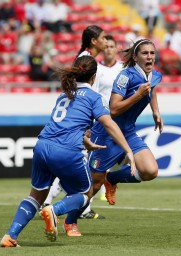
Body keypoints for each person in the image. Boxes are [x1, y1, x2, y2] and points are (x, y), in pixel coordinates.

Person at [0, 55, 136, 247]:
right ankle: (54, 211)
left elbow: (66, 125)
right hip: (67, 150)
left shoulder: (65, 94)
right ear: (94, 76)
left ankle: (10, 236)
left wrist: (86, 142)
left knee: (35, 196)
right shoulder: (94, 97)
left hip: (43, 146)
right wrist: (128, 150)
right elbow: (108, 124)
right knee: (85, 193)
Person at [41, 25, 108, 220]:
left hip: (79, 120)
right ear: (93, 41)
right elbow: (83, 93)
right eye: (103, 38)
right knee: (77, 164)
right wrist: (86, 126)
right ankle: (58, 204)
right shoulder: (86, 61)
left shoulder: (88, 58)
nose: (106, 41)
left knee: (75, 166)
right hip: (80, 122)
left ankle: (49, 202)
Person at [88, 39, 164, 206]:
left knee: (150, 171)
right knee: (94, 184)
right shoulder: (125, 76)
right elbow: (113, 109)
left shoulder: (155, 75)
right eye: (145, 53)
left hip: (128, 132)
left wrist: (156, 112)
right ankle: (66, 217)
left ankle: (112, 178)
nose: (150, 56)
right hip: (108, 132)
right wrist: (137, 95)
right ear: (135, 57)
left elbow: (152, 88)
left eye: (152, 53)